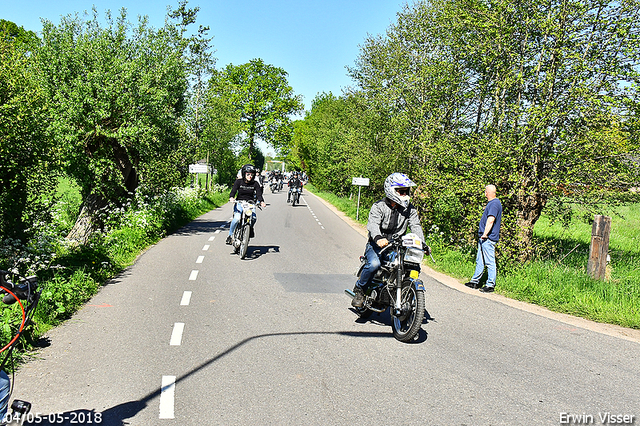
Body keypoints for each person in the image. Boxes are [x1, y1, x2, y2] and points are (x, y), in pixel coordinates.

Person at [352, 172, 425, 308]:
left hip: (397, 246)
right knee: (374, 264)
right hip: (377, 245)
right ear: (391, 190)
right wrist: (378, 238)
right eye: (401, 191)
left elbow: (415, 226)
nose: (405, 194)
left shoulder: (410, 210)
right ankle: (359, 290)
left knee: (412, 265)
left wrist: (422, 243)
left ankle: (404, 293)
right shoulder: (379, 206)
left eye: (406, 191)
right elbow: (373, 224)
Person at [464, 184, 503, 293]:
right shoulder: (492, 203)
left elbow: (491, 220)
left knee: (490, 262)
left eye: (485, 191)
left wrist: (485, 234)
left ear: (488, 192)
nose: (484, 193)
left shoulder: (494, 204)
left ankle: (490, 284)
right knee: (480, 260)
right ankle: (475, 281)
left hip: (488, 238)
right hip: (484, 238)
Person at [226, 164, 266, 245]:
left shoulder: (255, 183)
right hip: (240, 203)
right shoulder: (238, 182)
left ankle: (250, 229)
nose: (250, 176)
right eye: (248, 174)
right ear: (244, 174)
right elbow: (233, 191)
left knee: (254, 218)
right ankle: (230, 236)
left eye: (252, 174)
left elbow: (259, 194)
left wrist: (261, 201)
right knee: (237, 218)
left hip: (250, 203)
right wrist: (231, 198)